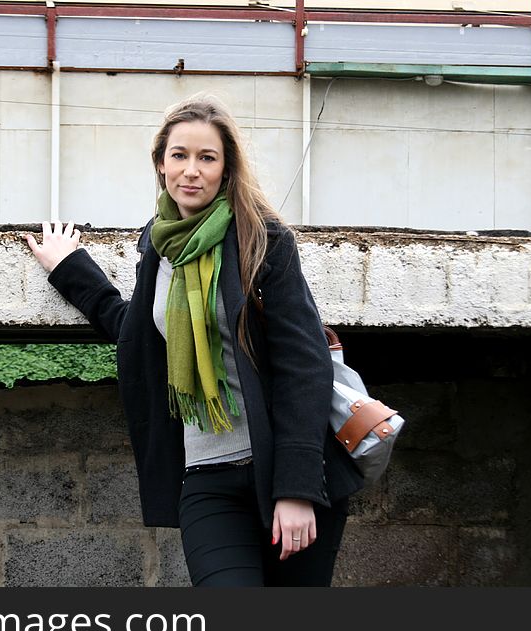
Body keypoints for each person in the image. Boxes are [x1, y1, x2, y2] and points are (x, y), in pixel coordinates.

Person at [24, 93, 363, 586]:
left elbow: (304, 364)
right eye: (179, 155)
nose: (191, 170)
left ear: (226, 170)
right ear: (160, 163)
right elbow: (139, 335)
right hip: (207, 479)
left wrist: (297, 490)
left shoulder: (261, 240)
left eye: (207, 158)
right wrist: (71, 270)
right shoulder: (157, 246)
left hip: (286, 473)